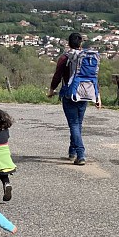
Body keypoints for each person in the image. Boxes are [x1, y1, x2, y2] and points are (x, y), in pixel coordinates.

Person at [47, 32, 102, 165]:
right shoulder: (87, 58)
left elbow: (57, 75)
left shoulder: (65, 57)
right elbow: (93, 77)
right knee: (78, 123)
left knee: (74, 124)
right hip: (86, 93)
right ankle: (72, 152)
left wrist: (51, 89)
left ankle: (81, 154)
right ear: (81, 44)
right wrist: (97, 96)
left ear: (68, 43)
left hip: (69, 93)